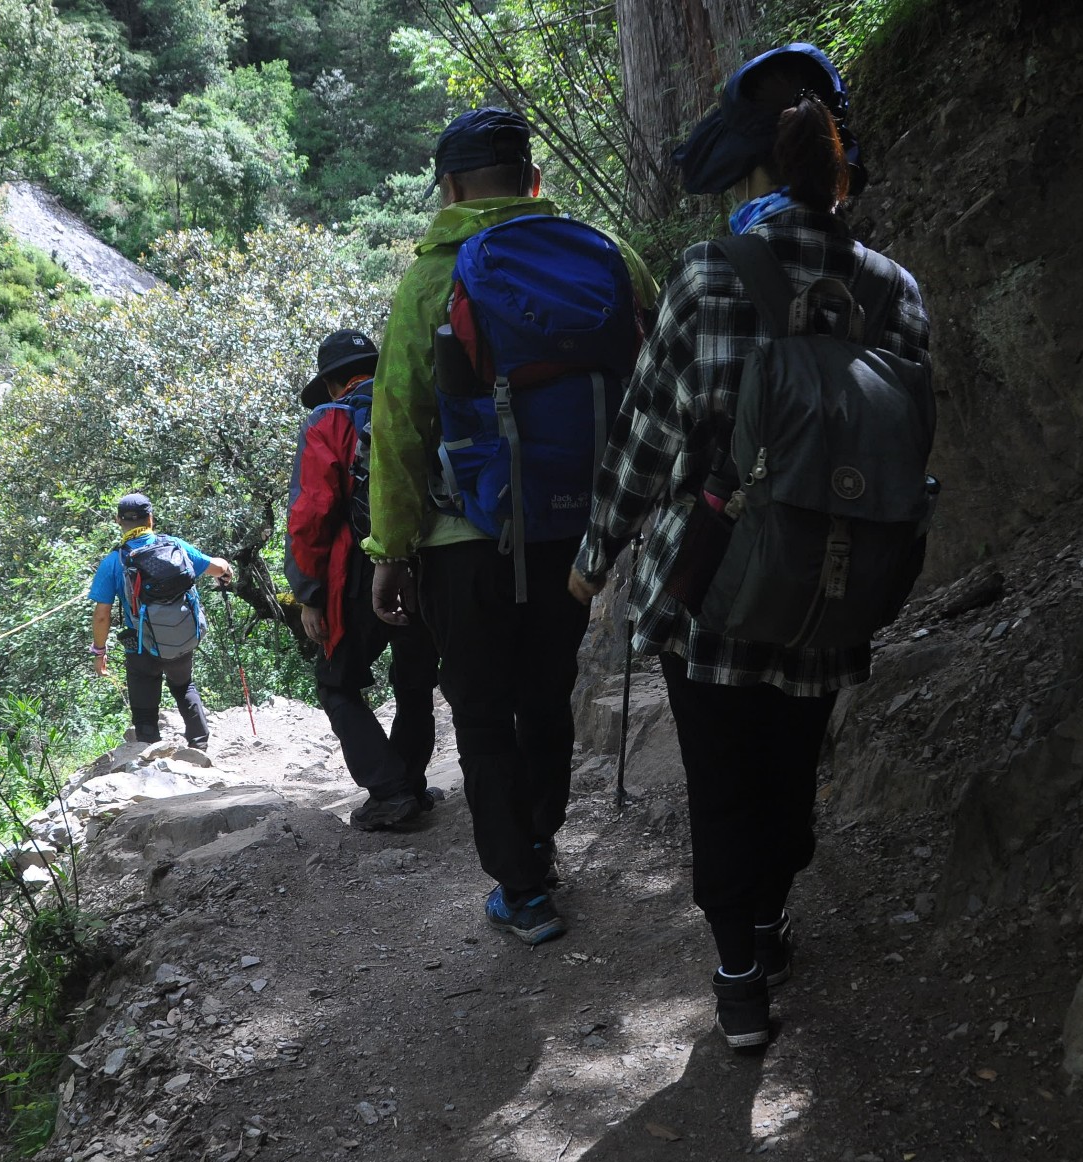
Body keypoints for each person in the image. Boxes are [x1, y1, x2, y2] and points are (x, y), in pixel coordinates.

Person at [570, 45, 932, 1047]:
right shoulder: (894, 291)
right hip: (834, 587)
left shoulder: (708, 275)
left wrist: (595, 552)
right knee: (786, 767)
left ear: (753, 174)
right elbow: (906, 444)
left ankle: (738, 976)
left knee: (721, 776)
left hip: (711, 580)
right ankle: (770, 918)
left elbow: (645, 434)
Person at [367, 107, 658, 945]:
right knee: (546, 693)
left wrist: (391, 550)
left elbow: (399, 425)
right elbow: (657, 375)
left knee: (485, 711)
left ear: (450, 187)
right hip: (574, 529)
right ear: (534, 179)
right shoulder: (608, 257)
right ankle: (540, 840)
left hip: (467, 542)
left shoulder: (432, 277)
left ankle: (521, 888)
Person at [286, 329, 443, 830]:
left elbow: (311, 514)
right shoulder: (415, 401)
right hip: (429, 561)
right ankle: (410, 785)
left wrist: (309, 595)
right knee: (415, 680)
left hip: (357, 571)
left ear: (333, 382)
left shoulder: (328, 420)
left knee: (336, 684)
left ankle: (392, 790)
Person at [89, 493, 233, 749]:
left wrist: (99, 651)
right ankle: (199, 747)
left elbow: (102, 615)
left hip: (140, 644)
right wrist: (226, 568)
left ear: (118, 520)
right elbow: (217, 568)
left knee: (144, 692)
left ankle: (148, 750)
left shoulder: (113, 561)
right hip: (180, 637)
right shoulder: (175, 547)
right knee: (184, 685)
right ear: (151, 519)